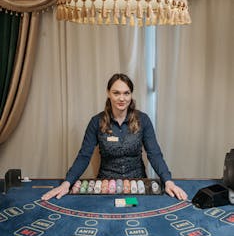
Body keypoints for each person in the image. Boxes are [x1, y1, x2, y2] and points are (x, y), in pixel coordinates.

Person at [42, 73, 187, 201]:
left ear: (131, 94)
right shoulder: (96, 122)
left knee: (135, 216)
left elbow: (154, 154)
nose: (122, 98)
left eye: (126, 93)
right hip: (105, 187)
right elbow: (84, 156)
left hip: (137, 186)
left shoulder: (143, 120)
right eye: (116, 93)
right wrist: (67, 183)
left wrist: (168, 181)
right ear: (108, 93)